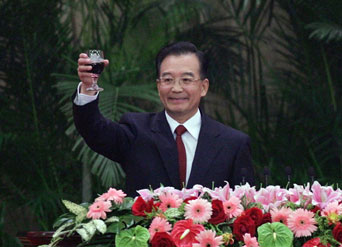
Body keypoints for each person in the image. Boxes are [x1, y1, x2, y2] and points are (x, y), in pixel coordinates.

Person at [74, 41, 255, 196]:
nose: (176, 88)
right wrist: (89, 87)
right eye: (168, 80)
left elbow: (244, 210)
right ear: (158, 85)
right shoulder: (136, 132)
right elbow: (93, 129)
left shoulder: (233, 143)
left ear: (203, 87)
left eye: (186, 80)